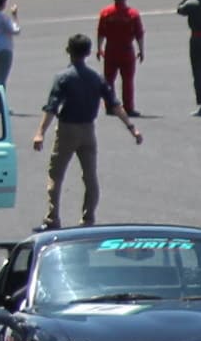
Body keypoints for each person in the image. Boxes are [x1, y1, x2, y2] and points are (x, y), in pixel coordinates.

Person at [32, 33, 143, 227]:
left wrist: (40, 132)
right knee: (90, 177)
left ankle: (52, 218)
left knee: (56, 174)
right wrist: (131, 128)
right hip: (88, 131)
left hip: (67, 130)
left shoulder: (63, 78)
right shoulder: (96, 78)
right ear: (88, 53)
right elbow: (115, 105)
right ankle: (88, 218)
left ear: (68, 51)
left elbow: (52, 108)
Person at [92, 0, 146, 120]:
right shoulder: (133, 14)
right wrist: (141, 50)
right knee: (128, 80)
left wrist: (99, 48)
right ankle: (128, 107)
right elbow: (139, 34)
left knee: (109, 79)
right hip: (127, 49)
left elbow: (101, 32)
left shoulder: (106, 13)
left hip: (111, 49)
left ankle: (110, 105)